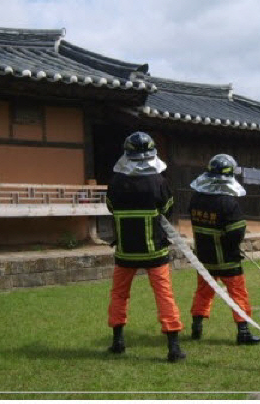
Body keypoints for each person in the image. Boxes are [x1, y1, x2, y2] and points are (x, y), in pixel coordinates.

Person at [105, 131, 186, 362]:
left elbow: (110, 206)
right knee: (164, 295)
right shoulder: (159, 181)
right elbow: (167, 209)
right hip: (155, 250)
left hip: (125, 252)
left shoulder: (116, 182)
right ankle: (173, 348)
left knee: (119, 294)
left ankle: (118, 342)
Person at [188, 154, 260, 345]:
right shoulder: (228, 202)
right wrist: (233, 246)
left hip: (204, 259)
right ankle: (243, 332)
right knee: (238, 294)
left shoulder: (196, 199)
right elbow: (237, 231)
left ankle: (196, 326)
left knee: (203, 292)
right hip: (228, 259)